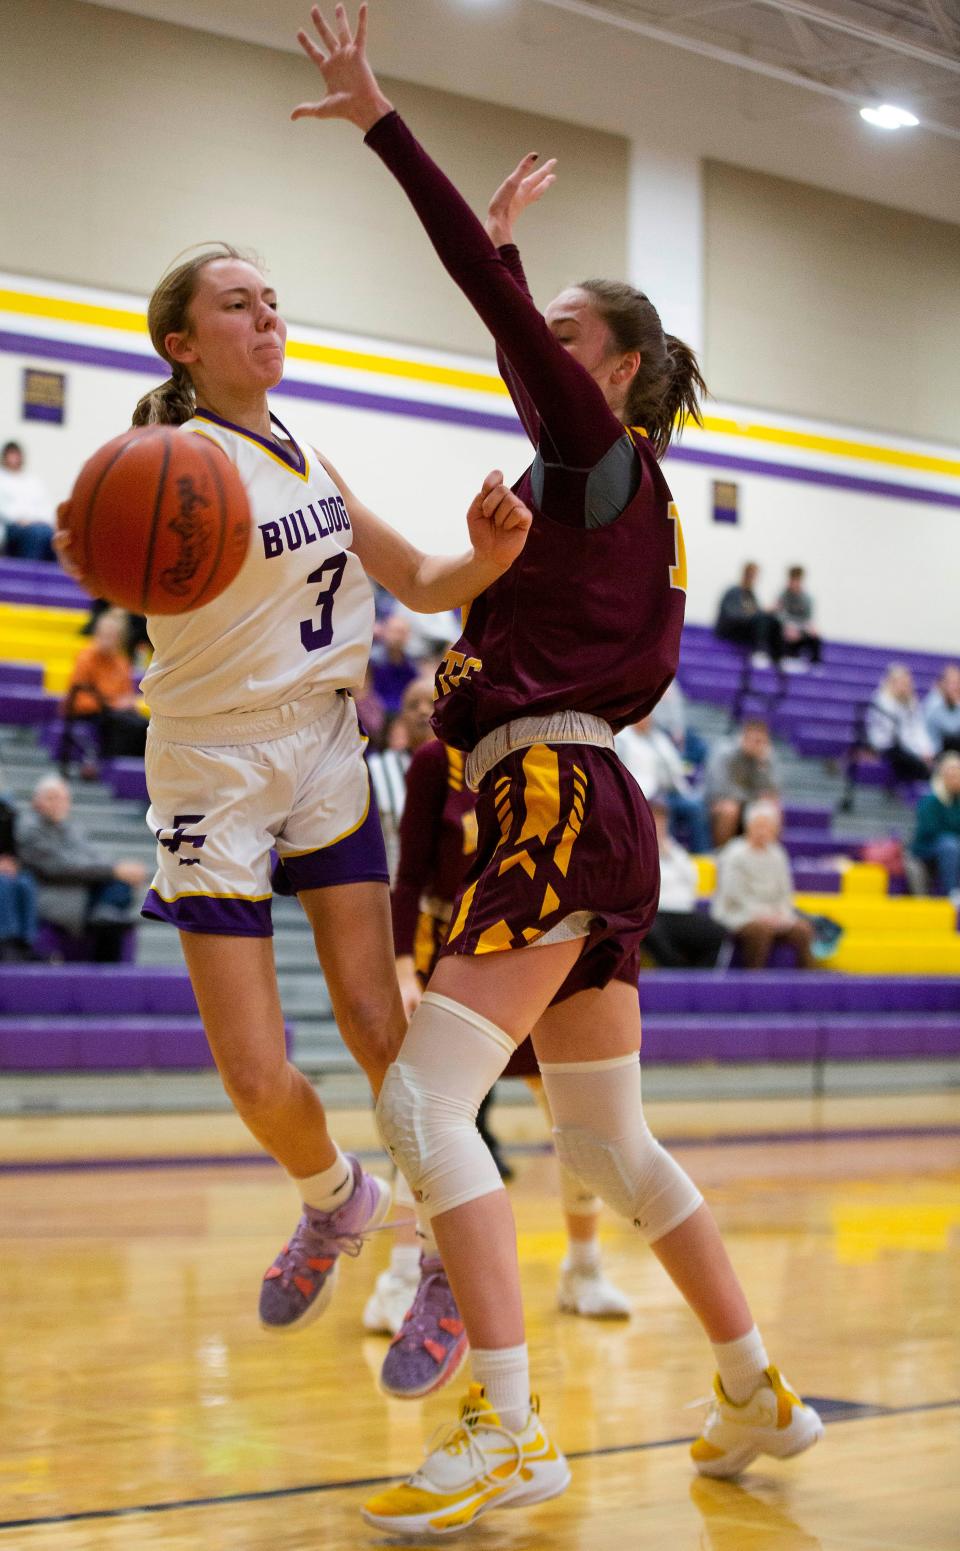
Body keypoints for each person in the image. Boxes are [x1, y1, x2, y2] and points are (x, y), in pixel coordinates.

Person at [291, 8, 821, 1532]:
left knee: (418, 1107)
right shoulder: (581, 504)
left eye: (572, 340)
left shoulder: (600, 456)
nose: (544, 357)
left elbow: (498, 317)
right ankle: (752, 1384)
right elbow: (477, 501)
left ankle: (510, 1420)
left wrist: (388, 120)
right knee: (604, 1136)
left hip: (552, 801)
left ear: (624, 368)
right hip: (597, 804)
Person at [55, 239, 532, 1337]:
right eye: (238, 305)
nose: (268, 317)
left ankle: (442, 1247)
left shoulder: (308, 456)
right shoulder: (163, 460)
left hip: (322, 746)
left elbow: (417, 578)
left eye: (273, 301)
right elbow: (116, 552)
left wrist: (487, 558)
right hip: (210, 765)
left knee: (378, 1019)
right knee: (257, 1075)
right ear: (183, 344)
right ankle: (333, 1200)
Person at [367, 729, 632, 1359]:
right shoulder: (439, 761)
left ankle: (585, 1268)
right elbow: (407, 876)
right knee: (427, 1115)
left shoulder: (562, 754)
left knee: (580, 1125)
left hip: (538, 953)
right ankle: (402, 1276)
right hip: (454, 953)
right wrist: (403, 966)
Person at [15, 775, 145, 961]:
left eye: (63, 798)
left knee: (119, 887)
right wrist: (114, 870)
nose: (58, 803)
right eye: (52, 798)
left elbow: (94, 857)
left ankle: (106, 912)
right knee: (116, 884)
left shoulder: (72, 827)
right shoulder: (28, 829)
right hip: (56, 894)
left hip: (84, 890)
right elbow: (61, 867)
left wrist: (119, 869)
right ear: (37, 801)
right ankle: (105, 911)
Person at [711, 801, 815, 969]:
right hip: (738, 914)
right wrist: (762, 915)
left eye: (767, 826)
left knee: (803, 930)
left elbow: (785, 894)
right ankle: (754, 983)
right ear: (748, 826)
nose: (763, 831)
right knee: (761, 931)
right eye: (759, 825)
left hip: (774, 916)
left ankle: (807, 985)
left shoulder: (778, 854)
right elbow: (735, 896)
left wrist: (781, 915)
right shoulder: (734, 853)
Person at [644, 798, 727, 969]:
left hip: (683, 912)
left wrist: (669, 851)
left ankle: (700, 979)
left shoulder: (676, 851)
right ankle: (677, 970)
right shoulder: (637, 848)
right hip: (656, 913)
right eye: (655, 818)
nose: (659, 824)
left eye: (662, 819)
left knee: (717, 932)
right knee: (650, 933)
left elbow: (693, 880)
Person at [615, 714, 712, 853]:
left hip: (669, 790)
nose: (647, 720)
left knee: (696, 807)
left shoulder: (658, 738)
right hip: (641, 793)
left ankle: (703, 856)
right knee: (663, 809)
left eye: (649, 717)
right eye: (643, 717)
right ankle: (662, 853)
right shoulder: (623, 739)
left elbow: (676, 765)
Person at [62, 608, 148, 764]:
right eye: (104, 634)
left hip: (114, 712)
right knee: (123, 724)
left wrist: (126, 703)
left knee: (145, 725)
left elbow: (127, 696)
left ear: (119, 638)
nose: (106, 639)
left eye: (111, 635)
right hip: (92, 711)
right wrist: (112, 704)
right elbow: (78, 698)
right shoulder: (85, 658)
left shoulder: (122, 662)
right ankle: (112, 763)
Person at [704, 719, 781, 847]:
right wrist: (753, 797)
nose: (758, 745)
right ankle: (722, 853)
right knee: (730, 809)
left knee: (773, 807)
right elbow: (720, 789)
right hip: (717, 800)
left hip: (747, 801)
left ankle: (767, 852)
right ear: (744, 738)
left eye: (762, 742)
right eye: (755, 741)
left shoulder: (766, 757)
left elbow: (773, 790)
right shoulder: (725, 752)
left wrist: (762, 766)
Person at [866, 664, 935, 782]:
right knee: (910, 761)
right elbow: (894, 735)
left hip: (908, 747)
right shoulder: (882, 701)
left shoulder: (912, 702)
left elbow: (918, 729)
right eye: (901, 683)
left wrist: (926, 750)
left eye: (907, 683)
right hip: (886, 745)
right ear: (891, 682)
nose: (905, 687)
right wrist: (917, 752)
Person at [910, 751, 960, 902]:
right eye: (953, 776)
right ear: (943, 776)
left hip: (950, 844)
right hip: (926, 847)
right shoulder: (931, 800)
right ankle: (951, 892)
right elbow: (928, 830)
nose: (956, 780)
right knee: (949, 844)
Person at [0, 778, 39, 962]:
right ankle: (6, 943)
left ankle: (25, 943)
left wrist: (12, 863)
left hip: (5, 869)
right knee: (3, 883)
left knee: (25, 881)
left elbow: (12, 850)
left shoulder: (6, 812)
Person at [714, 563, 784, 666]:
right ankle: (759, 651)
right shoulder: (734, 591)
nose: (754, 579)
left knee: (774, 621)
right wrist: (758, 613)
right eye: (752, 575)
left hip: (746, 629)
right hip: (731, 630)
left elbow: (756, 612)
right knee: (762, 619)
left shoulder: (751, 595)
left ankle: (778, 657)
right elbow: (733, 615)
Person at [0, 440, 56, 561]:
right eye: (11, 455)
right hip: (12, 527)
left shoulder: (32, 481)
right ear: (4, 457)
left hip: (36, 525)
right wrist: (20, 519)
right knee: (35, 535)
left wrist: (40, 521)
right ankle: (28, 575)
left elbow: (45, 507)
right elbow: (3, 509)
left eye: (17, 455)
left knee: (51, 535)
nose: (14, 458)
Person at [370, 610, 420, 713]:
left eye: (402, 633)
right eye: (394, 631)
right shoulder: (372, 662)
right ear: (384, 632)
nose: (398, 637)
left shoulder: (412, 665)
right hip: (376, 714)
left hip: (402, 713)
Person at [774, 565, 820, 666]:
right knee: (783, 633)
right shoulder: (782, 595)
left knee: (814, 635)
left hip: (800, 627)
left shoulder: (807, 598)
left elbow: (807, 618)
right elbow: (779, 614)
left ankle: (815, 663)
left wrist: (806, 628)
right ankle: (785, 657)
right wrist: (788, 626)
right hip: (786, 627)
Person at [924, 664, 960, 756]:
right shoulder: (933, 702)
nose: (957, 687)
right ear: (942, 684)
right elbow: (951, 729)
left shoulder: (954, 701)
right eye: (953, 683)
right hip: (936, 751)